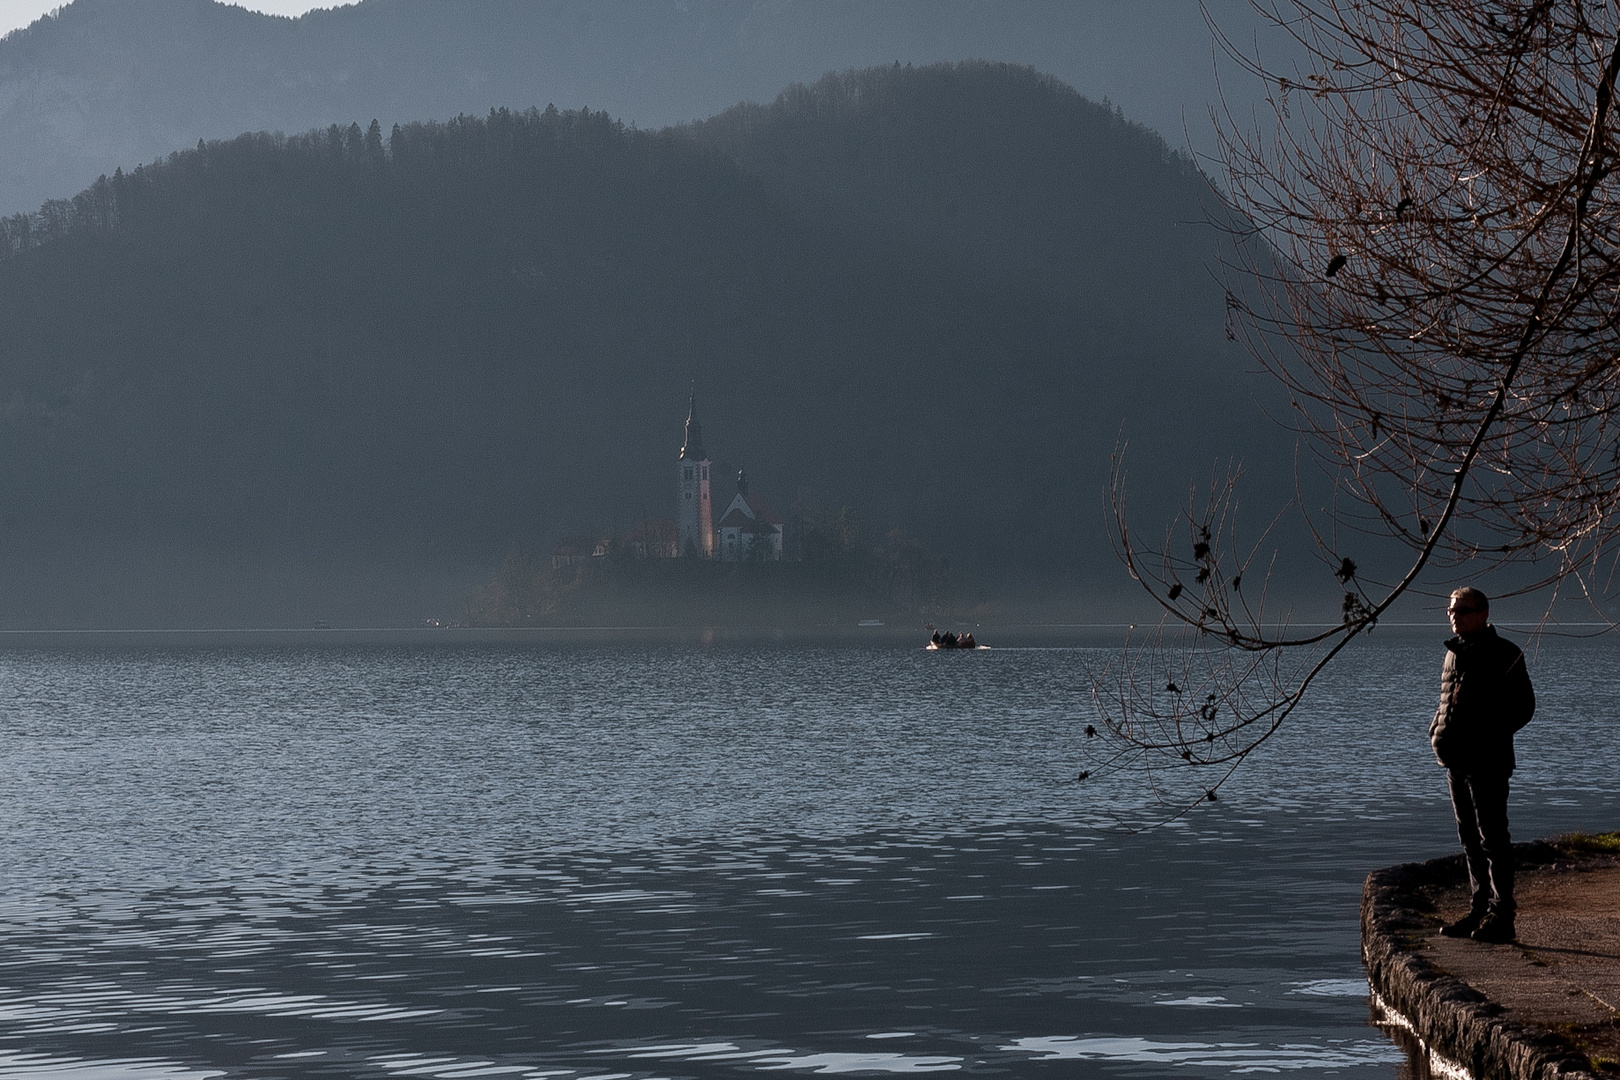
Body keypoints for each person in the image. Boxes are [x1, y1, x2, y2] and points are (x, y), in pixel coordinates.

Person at [1430, 587, 1535, 944]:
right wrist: (1437, 729)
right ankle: (1479, 908)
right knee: (1469, 839)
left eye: (1461, 610)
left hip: (1488, 762)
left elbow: (1524, 708)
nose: (1454, 616)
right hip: (1455, 761)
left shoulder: (1504, 654)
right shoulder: (1453, 655)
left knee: (1493, 839)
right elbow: (1448, 702)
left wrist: (1486, 736)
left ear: (1483, 614)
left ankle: (1502, 915)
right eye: (1451, 610)